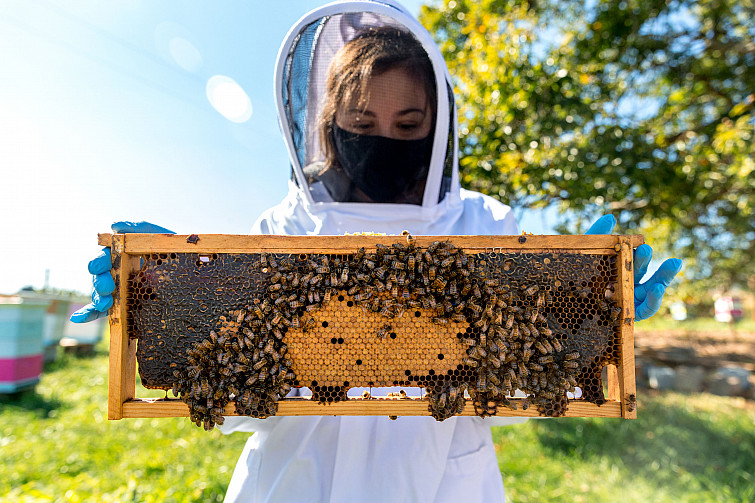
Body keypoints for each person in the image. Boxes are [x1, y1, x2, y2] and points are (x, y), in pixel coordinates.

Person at [71, 1, 682, 501]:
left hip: (443, 486)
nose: (383, 141)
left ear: (437, 128)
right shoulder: (286, 226)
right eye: (362, 125)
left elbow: (511, 395)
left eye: (408, 126)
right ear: (330, 122)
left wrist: (592, 317)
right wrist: (166, 305)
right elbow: (240, 401)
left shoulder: (483, 222)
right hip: (293, 486)